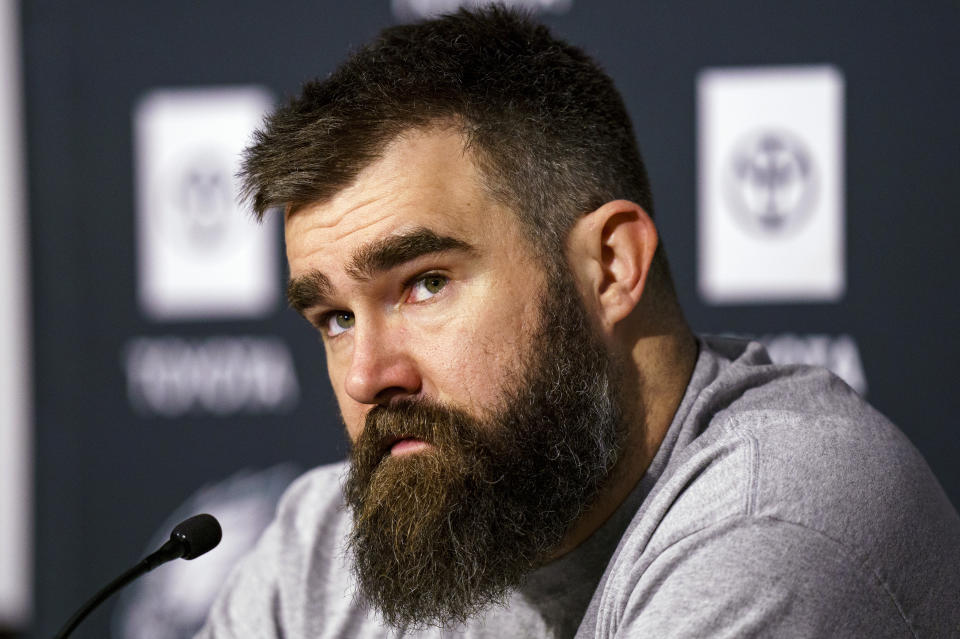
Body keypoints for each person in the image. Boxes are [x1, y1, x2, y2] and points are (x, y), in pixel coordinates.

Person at [198, 7, 960, 638]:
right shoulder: (320, 550)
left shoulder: (782, 521)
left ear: (610, 267)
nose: (367, 374)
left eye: (425, 284)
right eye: (333, 318)